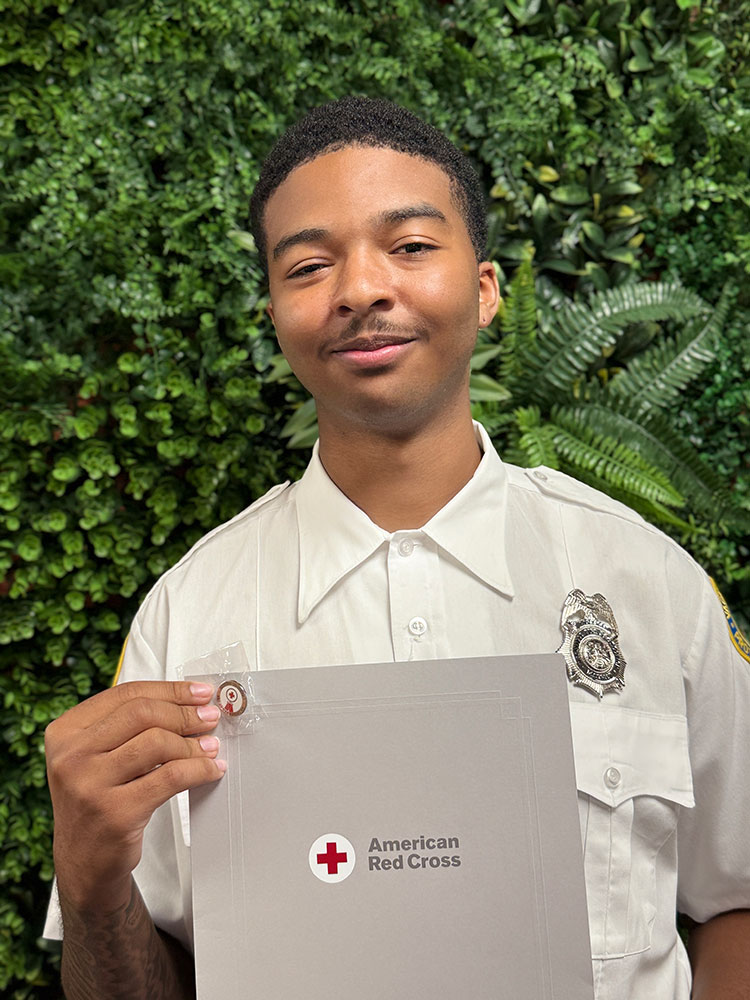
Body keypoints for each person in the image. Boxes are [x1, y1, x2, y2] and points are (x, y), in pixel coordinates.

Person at [45, 96, 750, 999]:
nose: (362, 290)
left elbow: (736, 896)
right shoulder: (185, 619)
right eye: (308, 265)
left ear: (486, 286)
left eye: (411, 246)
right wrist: (93, 886)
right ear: (273, 314)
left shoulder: (648, 585)